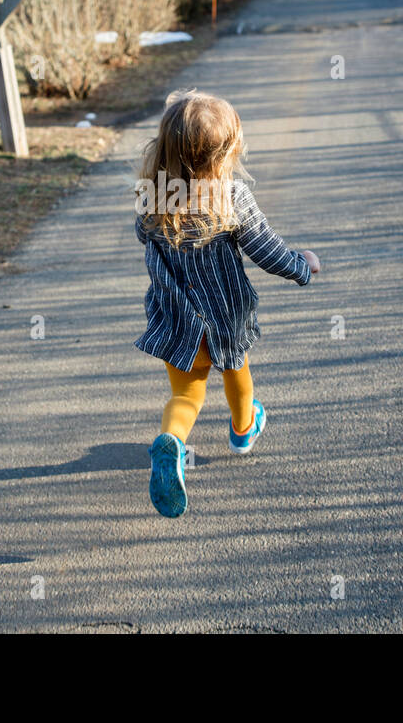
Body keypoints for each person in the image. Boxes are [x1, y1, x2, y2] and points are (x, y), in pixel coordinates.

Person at [133, 90, 320, 518]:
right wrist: (303, 267)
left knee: (186, 393)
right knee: (237, 370)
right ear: (223, 154)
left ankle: (173, 442)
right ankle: (242, 429)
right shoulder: (231, 197)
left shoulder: (151, 195)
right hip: (225, 316)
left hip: (174, 315)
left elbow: (143, 236)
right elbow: (266, 251)